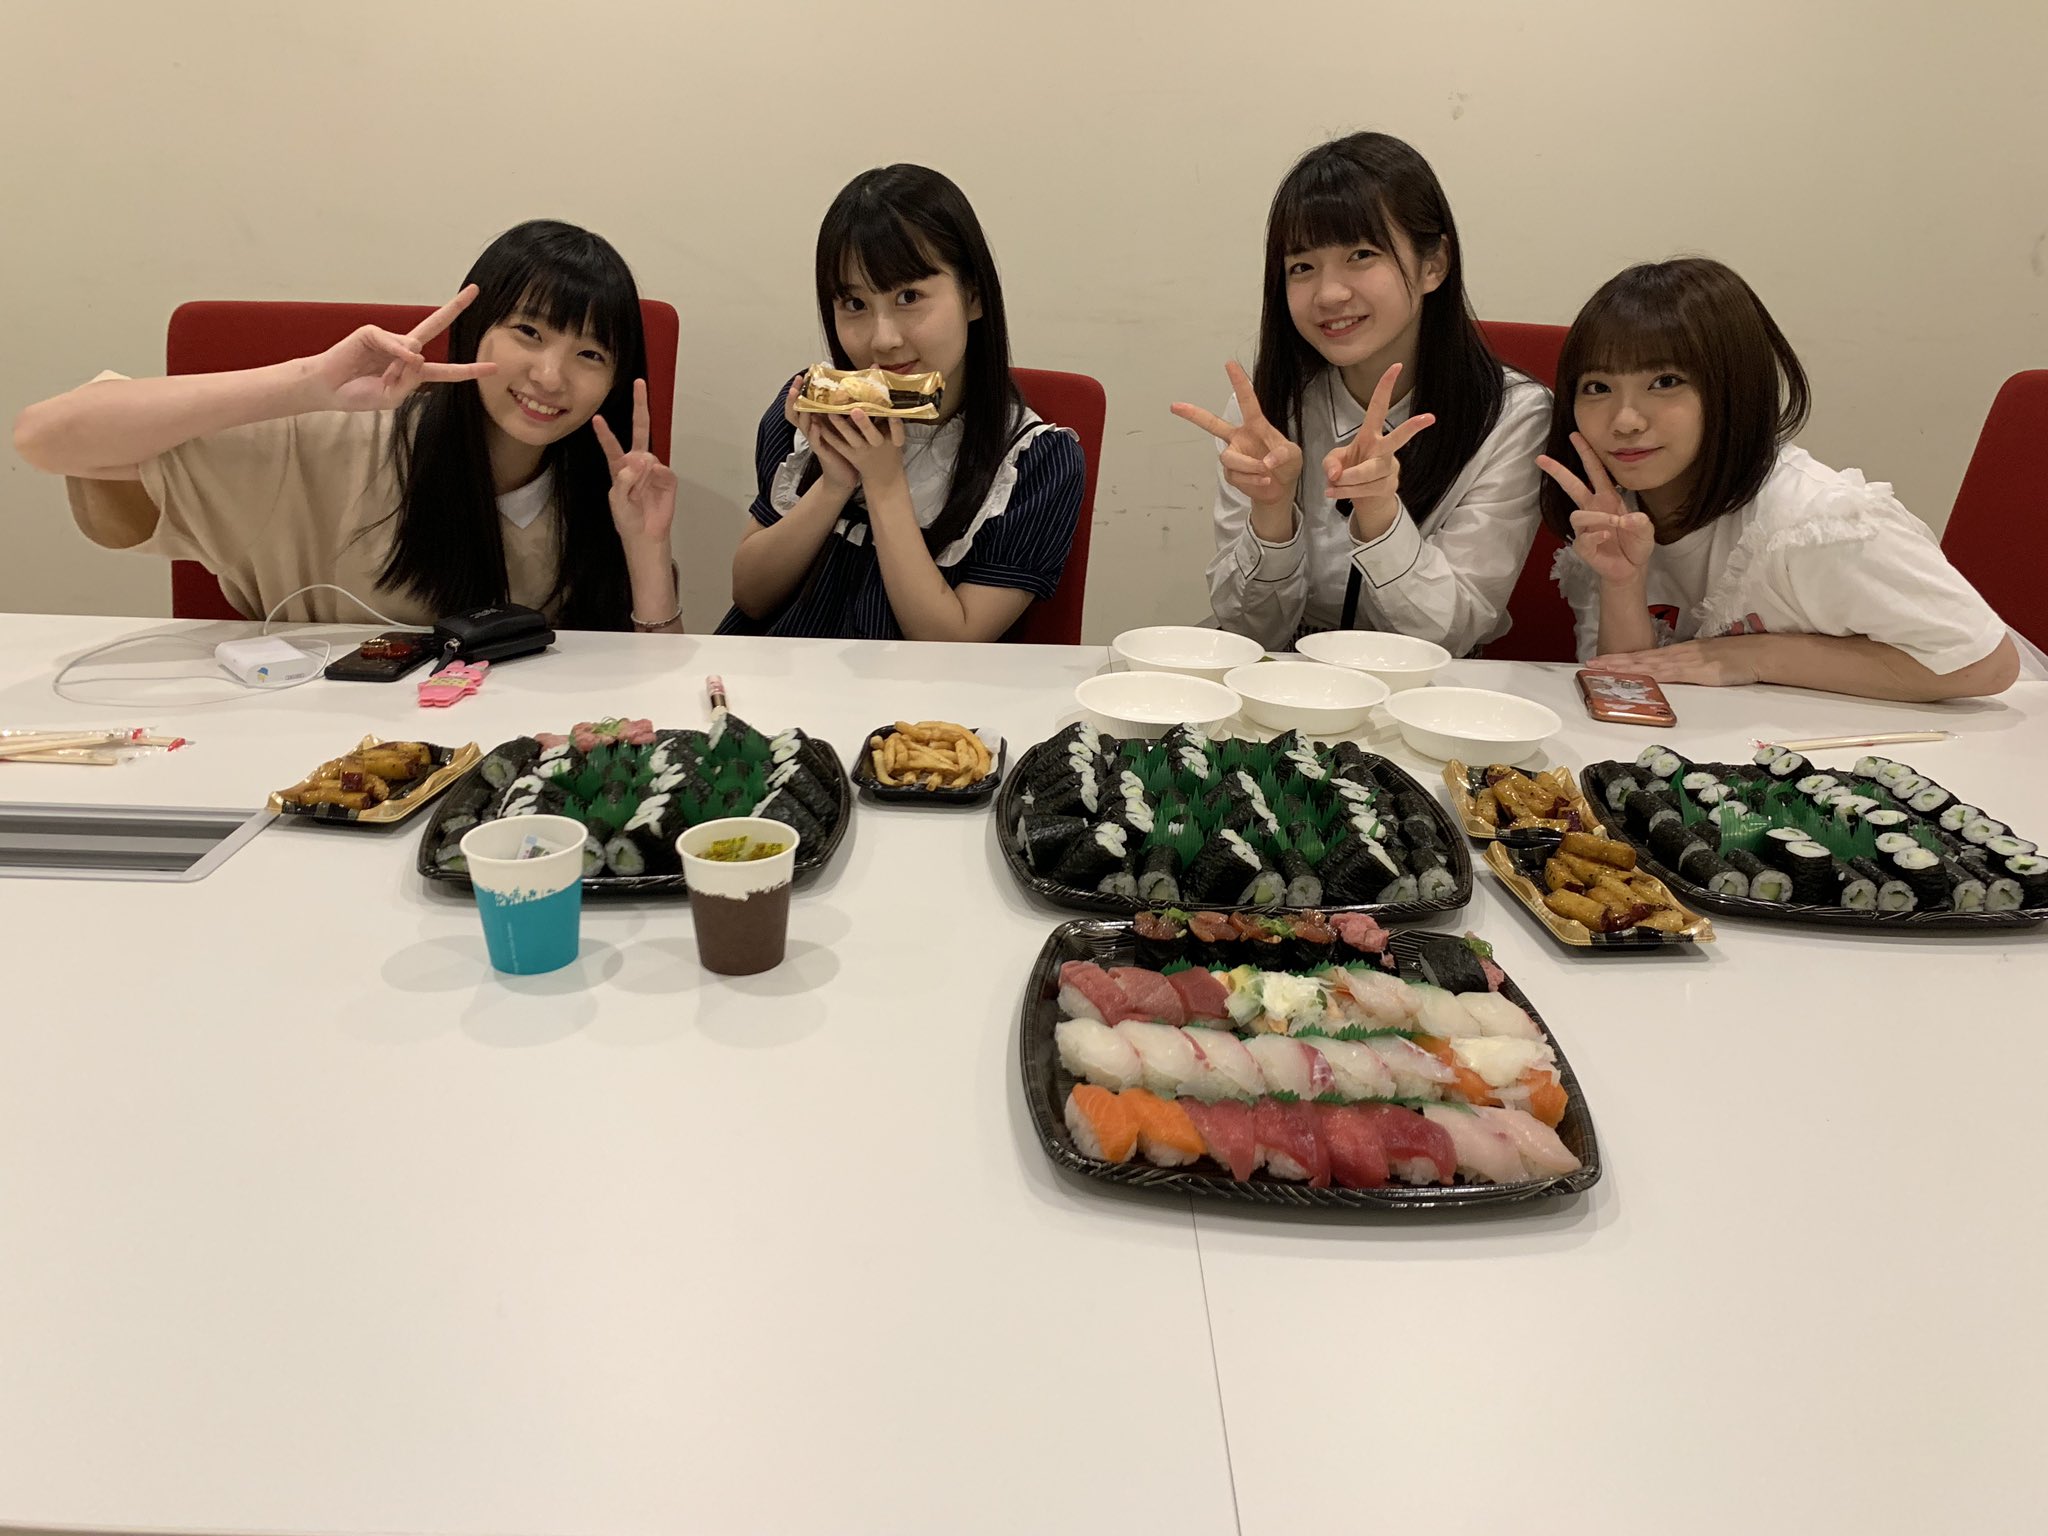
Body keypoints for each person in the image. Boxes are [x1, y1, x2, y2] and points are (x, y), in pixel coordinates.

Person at [13, 219, 682, 630]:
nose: (551, 376)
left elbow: (652, 697)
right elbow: (44, 437)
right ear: (473, 328)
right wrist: (307, 383)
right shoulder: (336, 444)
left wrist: (646, 550)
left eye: (590, 355)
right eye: (528, 332)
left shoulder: (603, 492)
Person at [1539, 257, 2017, 700]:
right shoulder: (1614, 515)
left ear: (1733, 385)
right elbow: (1630, 686)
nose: (1624, 420)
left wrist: (1755, 656)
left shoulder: (1813, 523)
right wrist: (1624, 584)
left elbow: (1987, 664)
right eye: (1597, 387)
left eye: (1665, 382)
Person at [1176, 131, 1548, 654]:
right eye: (1302, 267)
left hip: (1424, 682)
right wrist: (1272, 512)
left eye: (1361, 254)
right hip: (1286, 674)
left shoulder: (1509, 415)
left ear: (1434, 265)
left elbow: (1451, 633)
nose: (1329, 294)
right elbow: (1249, 633)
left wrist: (1380, 515)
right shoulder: (1265, 409)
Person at [721, 164, 1084, 641]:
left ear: (973, 296)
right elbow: (750, 597)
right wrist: (834, 484)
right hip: (774, 676)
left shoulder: (1037, 462)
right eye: (854, 304)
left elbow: (951, 642)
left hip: (917, 689)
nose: (883, 339)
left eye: (909, 296)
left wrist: (884, 481)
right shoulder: (808, 413)